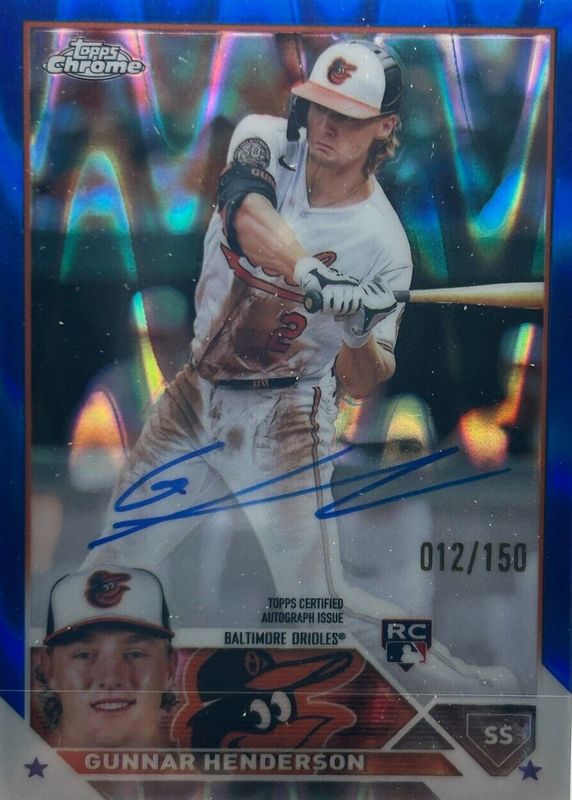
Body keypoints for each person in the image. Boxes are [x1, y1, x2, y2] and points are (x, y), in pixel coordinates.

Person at [86, 39, 517, 694]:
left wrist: (357, 328)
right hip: (196, 398)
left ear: (385, 128)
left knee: (319, 602)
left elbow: (365, 379)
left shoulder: (385, 246)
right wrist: (309, 270)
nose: (327, 126)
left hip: (286, 418)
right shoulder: (263, 139)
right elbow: (245, 211)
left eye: (348, 117)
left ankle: (456, 685)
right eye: (320, 107)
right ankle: (78, 698)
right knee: (112, 565)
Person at [36, 565, 177, 748]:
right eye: (84, 655)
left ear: (170, 668)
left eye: (135, 654)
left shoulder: (210, 768)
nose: (110, 678)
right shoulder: (11, 763)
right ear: (49, 669)